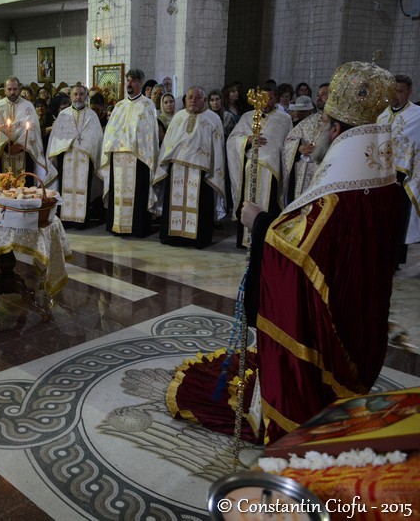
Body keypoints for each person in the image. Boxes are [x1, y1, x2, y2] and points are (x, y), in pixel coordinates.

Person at [168, 60, 405, 444]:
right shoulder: (384, 183)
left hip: (326, 338)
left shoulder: (338, 197)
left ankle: (305, 411)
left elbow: (301, 252)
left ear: (335, 130)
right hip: (361, 319)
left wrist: (259, 223)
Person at [152, 86, 226, 248]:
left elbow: (218, 149)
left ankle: (198, 239)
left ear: (204, 100)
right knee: (174, 203)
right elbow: (168, 145)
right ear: (185, 100)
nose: (193, 100)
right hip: (176, 168)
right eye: (190, 97)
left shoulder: (213, 119)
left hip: (202, 173)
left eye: (198, 97)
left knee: (201, 205)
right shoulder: (178, 117)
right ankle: (172, 236)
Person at [226, 82, 292, 247]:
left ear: (275, 98)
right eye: (261, 98)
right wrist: (247, 140)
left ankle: (266, 240)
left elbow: (289, 144)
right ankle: (245, 240)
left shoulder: (284, 119)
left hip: (273, 169)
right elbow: (233, 139)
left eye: (269, 98)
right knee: (247, 200)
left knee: (270, 204)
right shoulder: (248, 116)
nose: (264, 102)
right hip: (250, 166)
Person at [99, 68, 159, 237]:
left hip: (138, 157)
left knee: (137, 192)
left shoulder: (147, 105)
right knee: (118, 192)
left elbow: (148, 134)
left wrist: (134, 144)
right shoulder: (119, 105)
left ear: (140, 83)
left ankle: (137, 227)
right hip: (118, 157)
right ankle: (116, 225)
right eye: (128, 80)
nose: (129, 84)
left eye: (133, 80)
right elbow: (111, 131)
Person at [47, 83, 104, 227]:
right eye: (75, 94)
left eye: (81, 94)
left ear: (85, 96)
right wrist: (66, 145)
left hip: (86, 157)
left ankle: (81, 221)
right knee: (64, 187)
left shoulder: (92, 116)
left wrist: (84, 146)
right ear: (71, 96)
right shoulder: (63, 115)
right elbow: (56, 138)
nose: (78, 97)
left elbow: (96, 138)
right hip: (66, 157)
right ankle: (65, 219)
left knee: (84, 188)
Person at [377, 74, 420, 266]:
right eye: (392, 90)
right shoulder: (381, 115)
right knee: (380, 219)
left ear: (410, 92)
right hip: (379, 174)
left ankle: (394, 260)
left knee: (398, 218)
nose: (395, 95)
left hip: (403, 176)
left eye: (400, 91)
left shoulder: (417, 115)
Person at [0, 76, 52, 189]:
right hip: (3, 152)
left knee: (25, 187)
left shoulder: (28, 106)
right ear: (4, 90)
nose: (12, 92)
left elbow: (32, 129)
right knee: (3, 186)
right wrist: (6, 145)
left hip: (24, 151)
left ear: (19, 89)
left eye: (15, 89)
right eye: (9, 89)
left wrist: (19, 145)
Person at [281, 82, 329, 205]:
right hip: (303, 177)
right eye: (318, 94)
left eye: (324, 94)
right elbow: (290, 140)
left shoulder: (338, 123)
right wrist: (300, 147)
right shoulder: (309, 121)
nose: (319, 97)